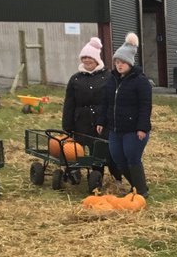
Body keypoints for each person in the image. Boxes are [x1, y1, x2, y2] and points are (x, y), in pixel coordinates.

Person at [96, 34, 151, 196]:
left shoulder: (140, 81)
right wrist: (101, 120)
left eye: (123, 62)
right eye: (117, 62)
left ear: (130, 63)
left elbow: (145, 106)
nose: (119, 65)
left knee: (132, 158)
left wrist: (142, 127)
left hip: (133, 129)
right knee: (118, 158)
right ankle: (136, 185)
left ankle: (141, 191)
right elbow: (106, 102)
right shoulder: (112, 80)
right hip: (115, 128)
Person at [60, 36, 118, 184]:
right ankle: (74, 172)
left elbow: (113, 101)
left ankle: (98, 176)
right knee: (77, 149)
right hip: (81, 121)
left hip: (101, 121)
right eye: (84, 57)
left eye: (89, 57)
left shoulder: (108, 77)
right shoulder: (76, 79)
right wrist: (67, 124)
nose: (86, 60)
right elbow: (69, 103)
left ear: (97, 59)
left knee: (99, 150)